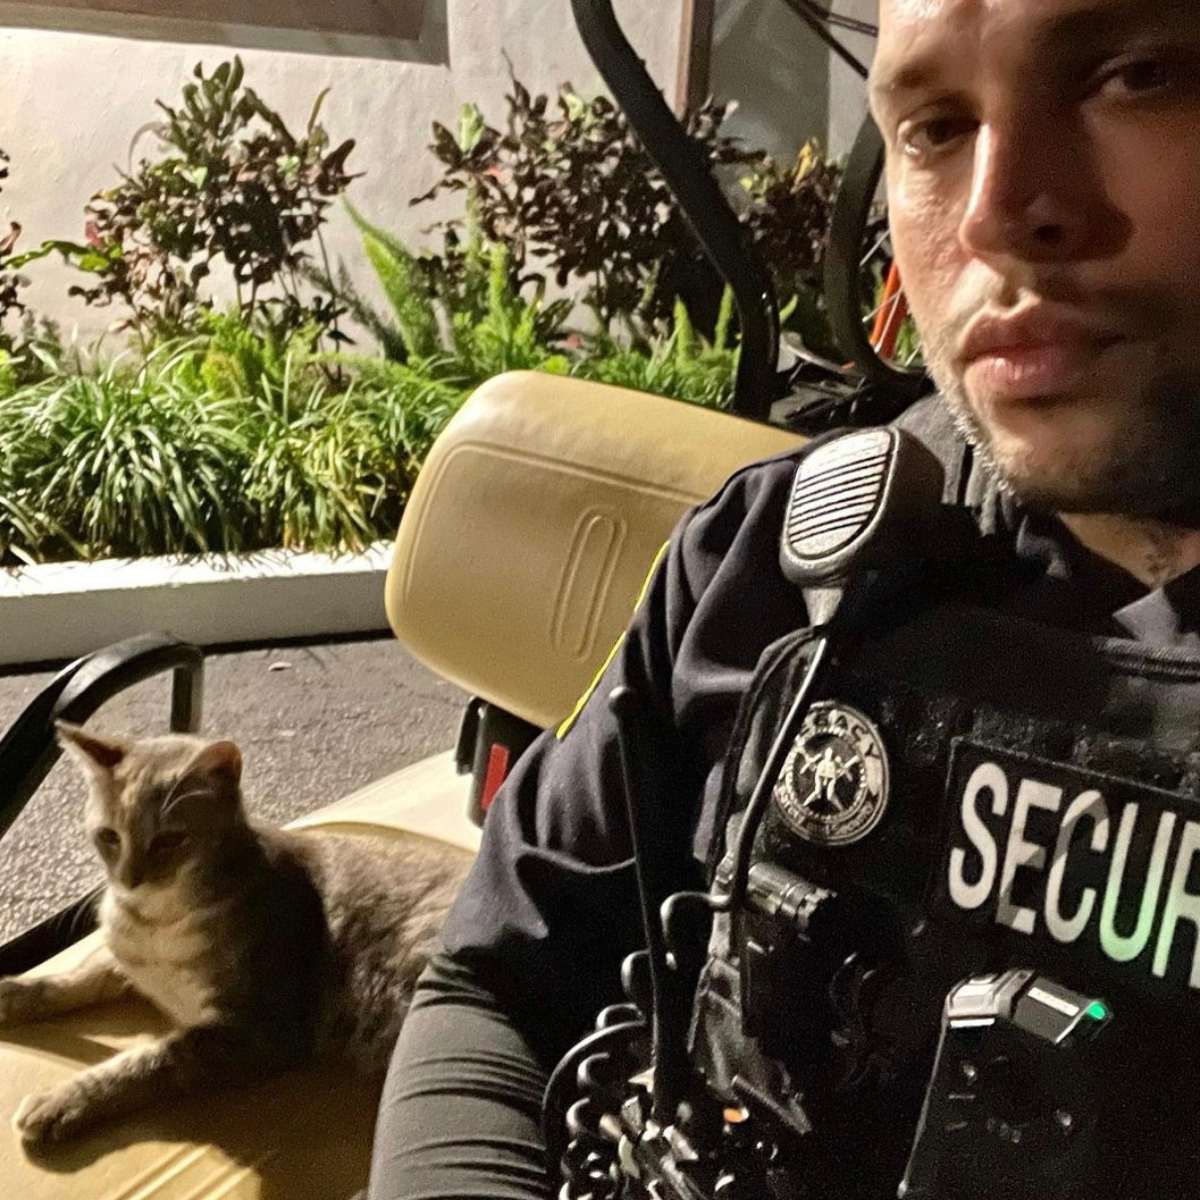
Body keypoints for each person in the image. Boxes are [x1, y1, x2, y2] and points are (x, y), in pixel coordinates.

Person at [368, 0, 1200, 1195]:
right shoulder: (770, 559)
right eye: (935, 125)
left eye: (1137, 74)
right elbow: (499, 987)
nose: (997, 213)